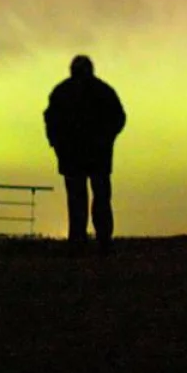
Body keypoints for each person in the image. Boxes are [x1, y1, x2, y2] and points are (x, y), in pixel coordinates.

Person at [44, 55, 126, 255]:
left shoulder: (63, 92)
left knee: (82, 198)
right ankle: (98, 240)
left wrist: (57, 144)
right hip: (92, 155)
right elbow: (119, 118)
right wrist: (106, 139)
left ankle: (84, 240)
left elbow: (51, 121)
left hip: (80, 155)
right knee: (95, 197)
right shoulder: (102, 91)